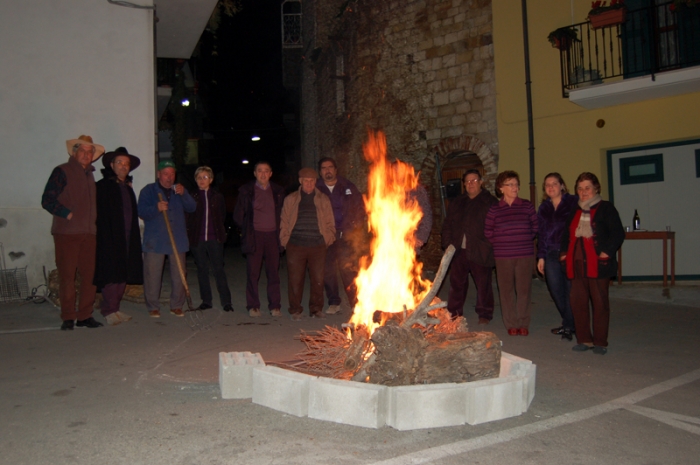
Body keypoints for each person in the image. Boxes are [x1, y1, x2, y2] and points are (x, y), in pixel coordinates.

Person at [41, 135, 105, 330]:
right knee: (67, 276)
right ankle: (68, 316)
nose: (86, 155)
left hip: (89, 233)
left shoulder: (91, 175)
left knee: (90, 276)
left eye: (90, 152)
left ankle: (85, 315)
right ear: (74, 152)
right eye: (83, 151)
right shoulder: (62, 171)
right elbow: (47, 199)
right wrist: (67, 214)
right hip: (67, 233)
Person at [560, 172, 624, 355]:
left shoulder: (606, 208)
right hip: (576, 263)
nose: (583, 192)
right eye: (580, 188)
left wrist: (606, 252)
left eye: (587, 187)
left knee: (600, 303)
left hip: (598, 264)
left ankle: (600, 342)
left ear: (596, 188)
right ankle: (584, 339)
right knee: (578, 302)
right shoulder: (576, 210)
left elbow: (617, 233)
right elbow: (566, 234)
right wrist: (563, 254)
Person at [137, 160, 196, 318]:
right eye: (165, 174)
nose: (169, 177)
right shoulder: (149, 191)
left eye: (172, 174)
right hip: (155, 240)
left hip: (177, 238)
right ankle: (153, 306)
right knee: (152, 274)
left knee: (179, 274)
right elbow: (141, 211)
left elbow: (192, 207)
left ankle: (177, 305)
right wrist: (156, 208)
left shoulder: (179, 190)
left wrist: (185, 194)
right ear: (159, 175)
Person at [93, 147, 144, 326]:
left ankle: (115, 307)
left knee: (123, 272)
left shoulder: (127, 188)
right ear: (111, 165)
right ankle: (108, 310)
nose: (123, 166)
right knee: (110, 273)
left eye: (126, 163)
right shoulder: (102, 186)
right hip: (109, 237)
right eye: (119, 162)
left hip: (127, 236)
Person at [484, 170, 538, 336]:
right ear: (501, 188)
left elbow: (535, 228)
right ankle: (511, 323)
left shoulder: (527, 206)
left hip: (524, 255)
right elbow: (488, 231)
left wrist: (523, 240)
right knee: (506, 291)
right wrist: (502, 243)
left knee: (523, 290)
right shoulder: (494, 210)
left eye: (516, 184)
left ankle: (523, 322)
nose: (515, 187)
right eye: (511, 184)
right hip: (503, 257)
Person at [441, 169, 498, 324]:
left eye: (474, 180)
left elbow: (496, 227)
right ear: (464, 184)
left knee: (483, 283)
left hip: (480, 249)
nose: (470, 184)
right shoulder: (458, 202)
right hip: (459, 250)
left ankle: (484, 313)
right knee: (456, 283)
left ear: (481, 182)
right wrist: (448, 244)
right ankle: (454, 313)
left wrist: (488, 245)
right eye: (467, 181)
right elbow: (448, 224)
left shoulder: (490, 202)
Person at [281, 167, 336, 320]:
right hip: (296, 245)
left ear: (315, 182)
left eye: (312, 181)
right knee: (295, 280)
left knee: (318, 279)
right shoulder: (290, 199)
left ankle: (316, 309)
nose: (309, 183)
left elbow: (330, 221)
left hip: (318, 246)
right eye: (306, 180)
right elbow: (284, 221)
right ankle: (295, 309)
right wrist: (285, 240)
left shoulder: (323, 199)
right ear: (300, 181)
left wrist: (328, 238)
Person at [234, 161, 285, 317]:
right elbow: (238, 216)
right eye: (260, 171)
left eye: (266, 171)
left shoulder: (278, 191)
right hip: (254, 235)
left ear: (271, 173)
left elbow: (284, 213)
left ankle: (275, 305)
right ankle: (253, 305)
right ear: (255, 173)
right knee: (253, 273)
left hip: (273, 236)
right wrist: (248, 230)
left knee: (273, 272)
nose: (263, 174)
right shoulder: (246, 191)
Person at [315, 157, 366, 315]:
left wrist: (354, 228)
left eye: (330, 167)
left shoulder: (347, 186)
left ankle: (355, 303)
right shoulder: (316, 188)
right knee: (327, 270)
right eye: (324, 168)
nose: (327, 170)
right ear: (320, 172)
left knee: (348, 270)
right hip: (326, 236)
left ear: (336, 170)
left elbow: (360, 208)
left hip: (346, 235)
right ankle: (334, 302)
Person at [537, 173, 578, 341]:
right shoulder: (544, 208)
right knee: (555, 289)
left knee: (570, 290)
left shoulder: (573, 202)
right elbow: (542, 234)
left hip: (569, 251)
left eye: (554, 183)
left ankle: (569, 326)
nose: (551, 187)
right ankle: (571, 322)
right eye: (547, 184)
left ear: (562, 185)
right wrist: (541, 257)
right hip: (551, 253)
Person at [187, 166, 233, 312]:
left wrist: (219, 232)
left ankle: (226, 302)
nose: (202, 180)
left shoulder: (217, 196)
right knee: (202, 269)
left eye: (205, 177)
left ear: (211, 179)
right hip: (197, 239)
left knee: (218, 269)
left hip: (215, 239)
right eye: (199, 177)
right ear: (195, 180)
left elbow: (222, 215)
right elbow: (188, 217)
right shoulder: (191, 196)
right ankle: (206, 300)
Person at [391, 160, 432, 253]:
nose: (397, 174)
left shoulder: (417, 190)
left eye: (400, 170)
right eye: (394, 171)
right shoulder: (385, 192)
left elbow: (426, 215)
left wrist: (421, 237)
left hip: (410, 243)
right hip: (390, 243)